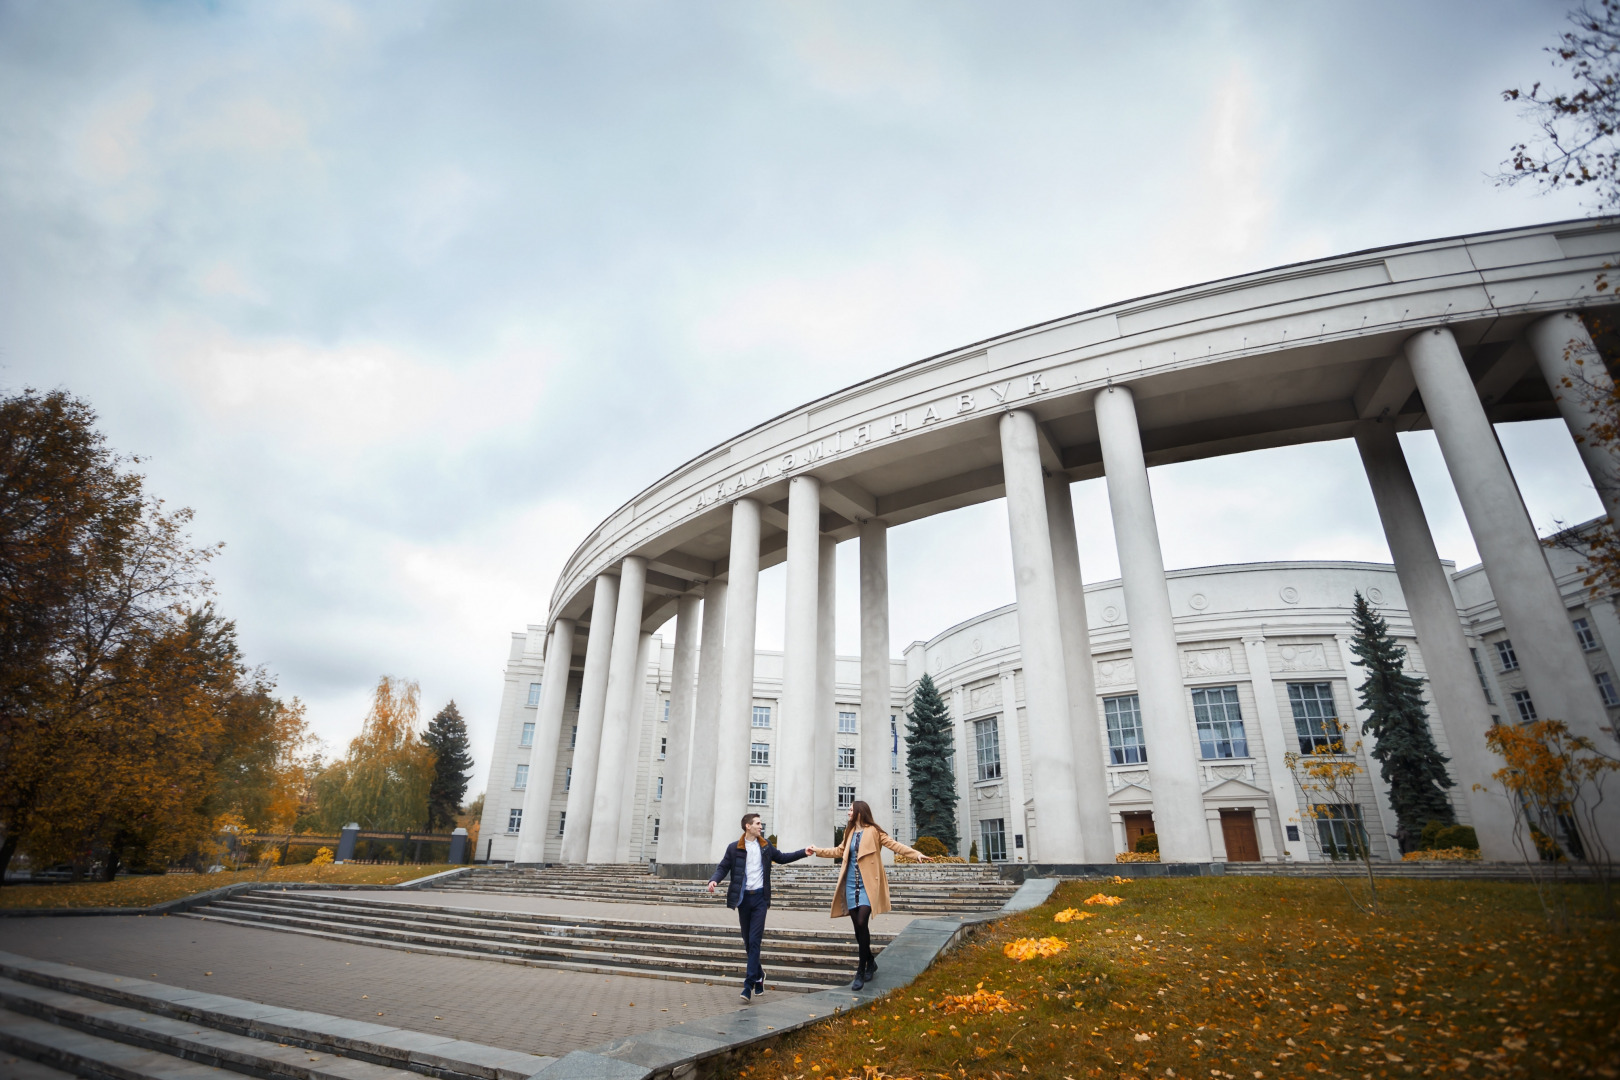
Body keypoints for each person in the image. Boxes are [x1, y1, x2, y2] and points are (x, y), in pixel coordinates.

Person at [805, 799, 930, 990]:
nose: (848, 812)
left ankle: (861, 970)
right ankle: (870, 961)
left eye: (850, 809)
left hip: (868, 884)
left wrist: (916, 854)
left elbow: (894, 845)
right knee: (858, 928)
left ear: (860, 812)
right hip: (851, 885)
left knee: (862, 922)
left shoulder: (874, 831)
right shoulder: (849, 832)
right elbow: (839, 851)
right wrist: (817, 851)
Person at [708, 813, 809, 1002]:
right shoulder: (734, 848)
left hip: (760, 900)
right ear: (747, 826)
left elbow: (783, 858)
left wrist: (804, 852)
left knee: (755, 941)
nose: (761, 826)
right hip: (743, 900)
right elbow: (723, 867)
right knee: (748, 943)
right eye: (757, 823)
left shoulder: (766, 846)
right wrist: (714, 880)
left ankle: (748, 986)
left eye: (760, 823)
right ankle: (760, 974)